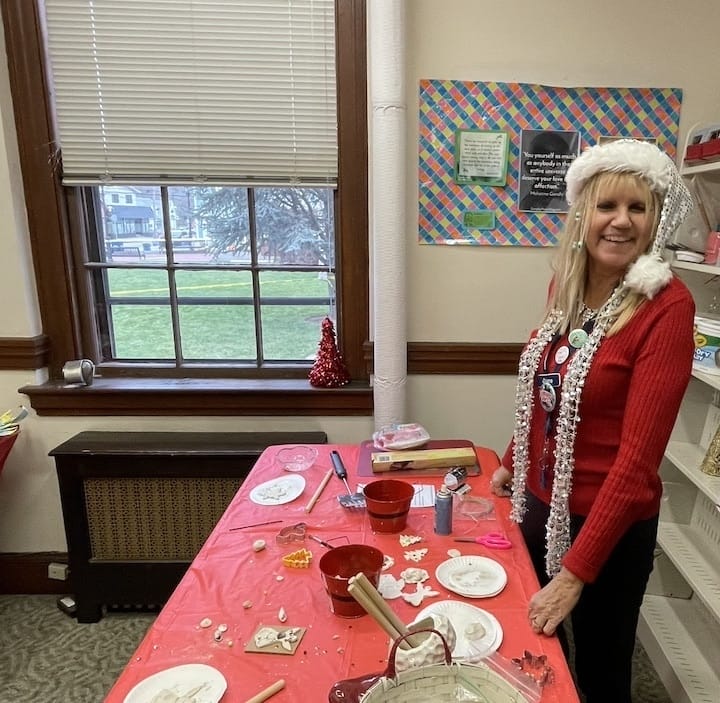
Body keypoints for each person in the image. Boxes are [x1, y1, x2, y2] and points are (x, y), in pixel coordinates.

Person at [490, 139, 695, 702]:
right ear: (583, 213)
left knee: (602, 674)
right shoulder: (569, 285)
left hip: (609, 528)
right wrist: (515, 459)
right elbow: (549, 388)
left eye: (638, 208)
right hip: (540, 502)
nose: (620, 222)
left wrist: (576, 575)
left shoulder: (668, 307)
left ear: (655, 221)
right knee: (537, 658)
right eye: (608, 206)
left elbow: (636, 467)